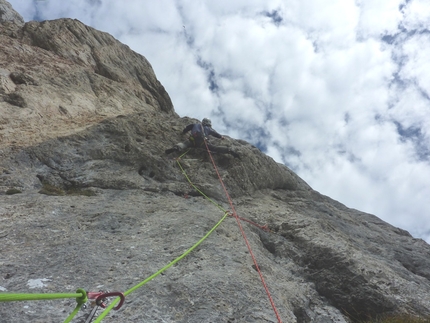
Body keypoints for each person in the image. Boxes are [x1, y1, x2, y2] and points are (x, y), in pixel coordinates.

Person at [165, 118, 239, 158]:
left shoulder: (195, 124)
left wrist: (183, 132)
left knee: (185, 144)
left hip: (193, 139)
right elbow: (215, 134)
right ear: (208, 124)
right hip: (202, 142)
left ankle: (177, 148)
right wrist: (221, 137)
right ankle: (228, 150)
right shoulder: (208, 129)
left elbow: (187, 128)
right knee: (214, 148)